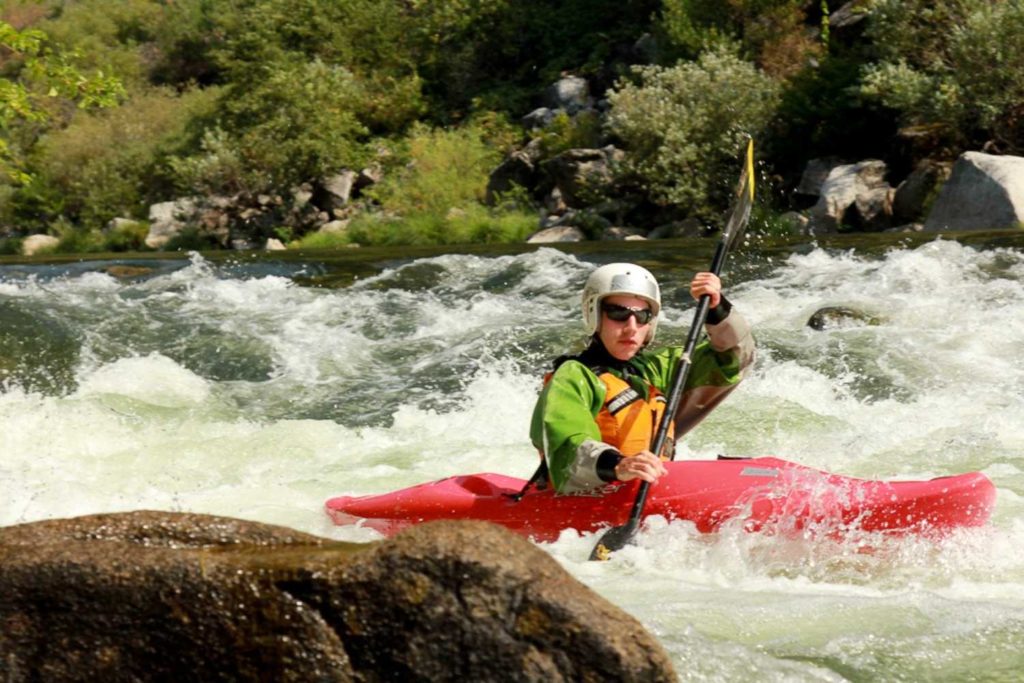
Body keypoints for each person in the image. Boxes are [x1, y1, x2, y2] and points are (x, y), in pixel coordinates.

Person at [528, 262, 755, 494]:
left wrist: (716, 309)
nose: (631, 328)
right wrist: (618, 466)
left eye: (642, 316)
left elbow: (734, 360)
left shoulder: (656, 370)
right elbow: (566, 442)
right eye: (618, 314)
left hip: (650, 491)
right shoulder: (573, 376)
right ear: (594, 314)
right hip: (588, 498)